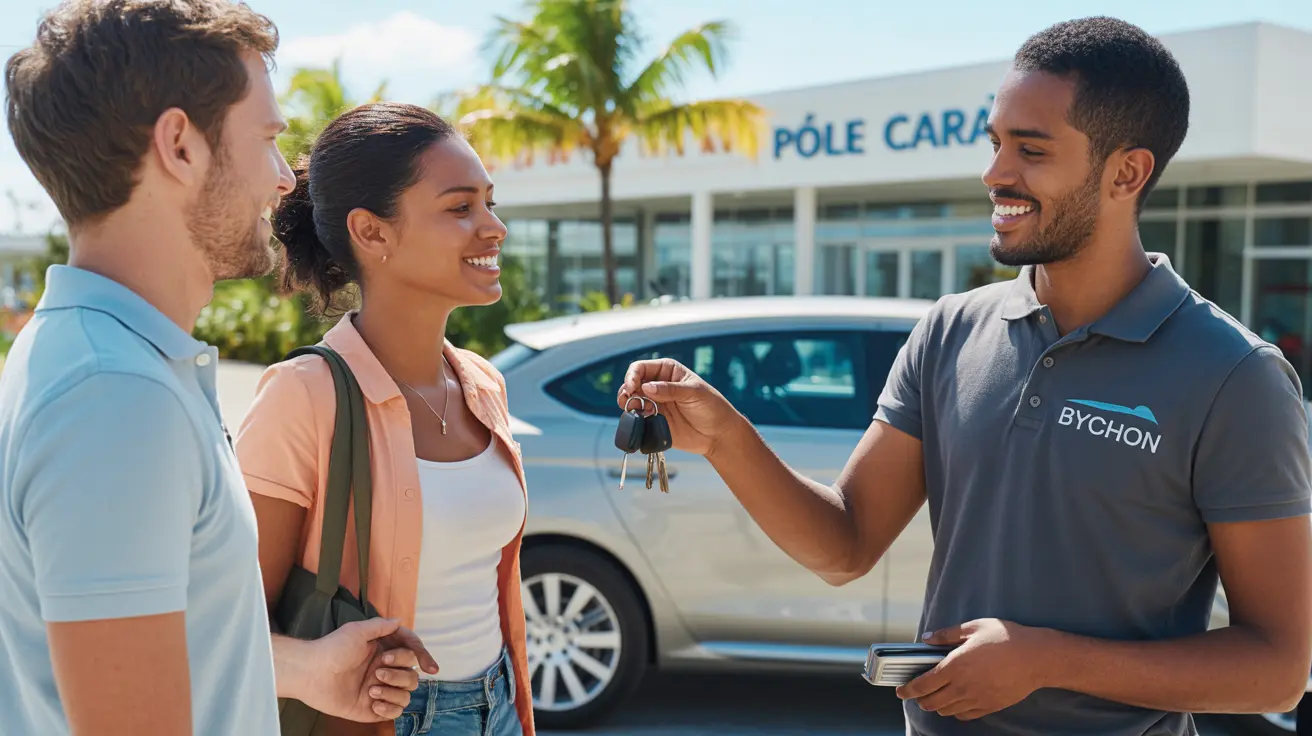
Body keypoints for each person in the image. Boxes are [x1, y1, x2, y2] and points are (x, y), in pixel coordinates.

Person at [619, 16, 1312, 736]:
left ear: (1126, 172)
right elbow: (845, 545)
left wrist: (1046, 660)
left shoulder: (1237, 377)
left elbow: (1277, 667)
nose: (994, 173)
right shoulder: (951, 330)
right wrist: (727, 438)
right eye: (996, 143)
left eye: (1030, 150)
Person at [0, 2, 437, 734]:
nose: (282, 181)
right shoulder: (114, 396)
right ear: (179, 145)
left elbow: (139, 647)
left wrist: (304, 670)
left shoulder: (108, 362)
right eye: (267, 140)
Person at [234, 101, 534, 736]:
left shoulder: (484, 383)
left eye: (489, 202)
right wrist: (314, 665)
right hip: (382, 722)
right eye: (460, 208)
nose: (493, 227)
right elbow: (225, 628)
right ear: (372, 232)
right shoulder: (302, 396)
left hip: (501, 705)